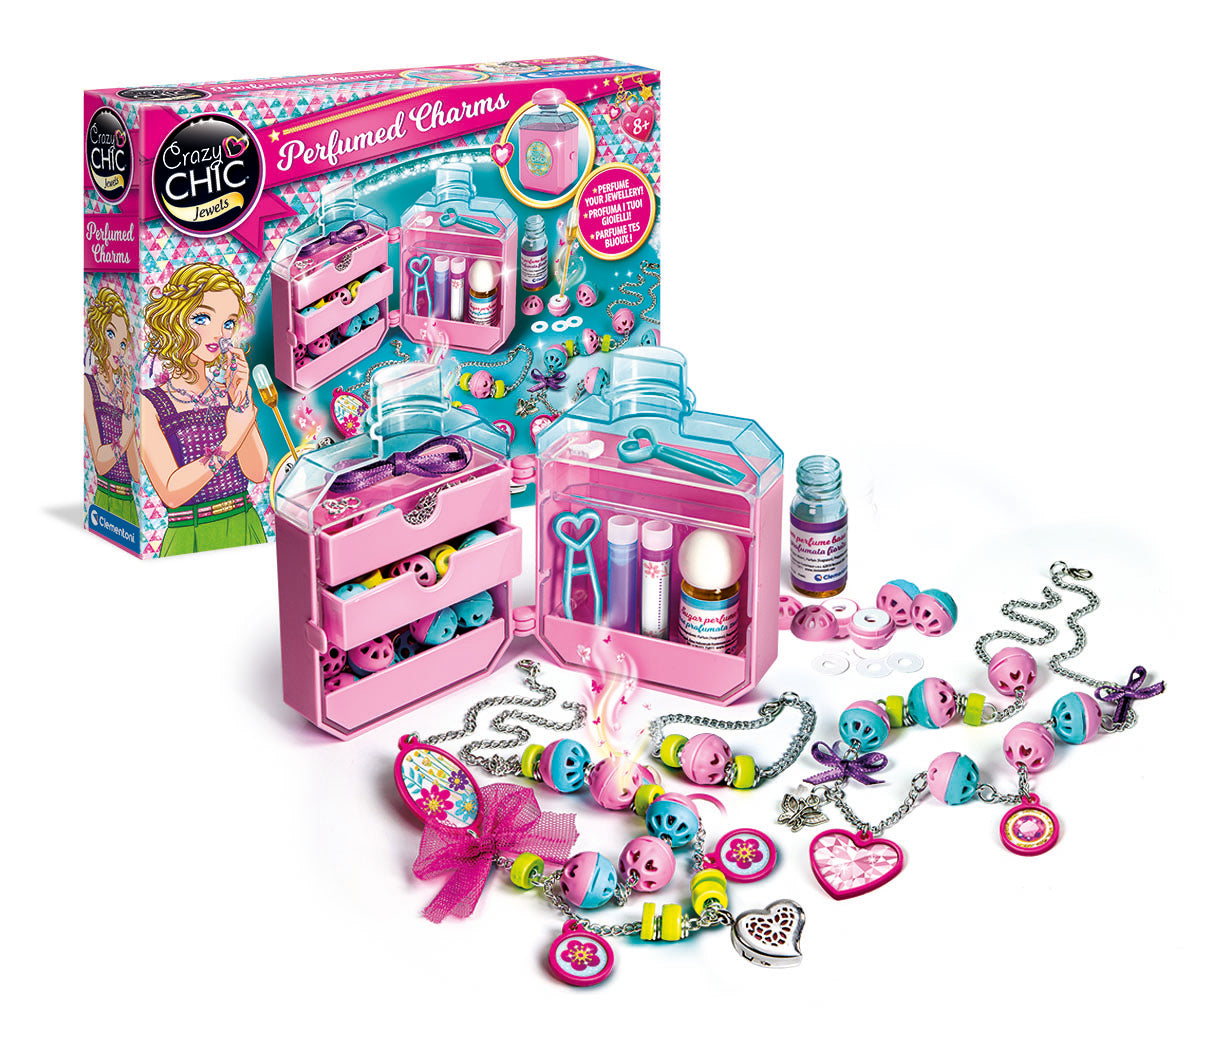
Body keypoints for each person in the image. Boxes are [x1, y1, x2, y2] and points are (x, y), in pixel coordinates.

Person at [140, 263, 268, 555]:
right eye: (202, 318)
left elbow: (257, 471)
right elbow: (171, 492)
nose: (218, 334)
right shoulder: (149, 404)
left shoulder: (229, 392)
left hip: (245, 522)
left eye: (228, 323)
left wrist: (239, 399)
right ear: (175, 320)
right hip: (190, 534)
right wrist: (231, 439)